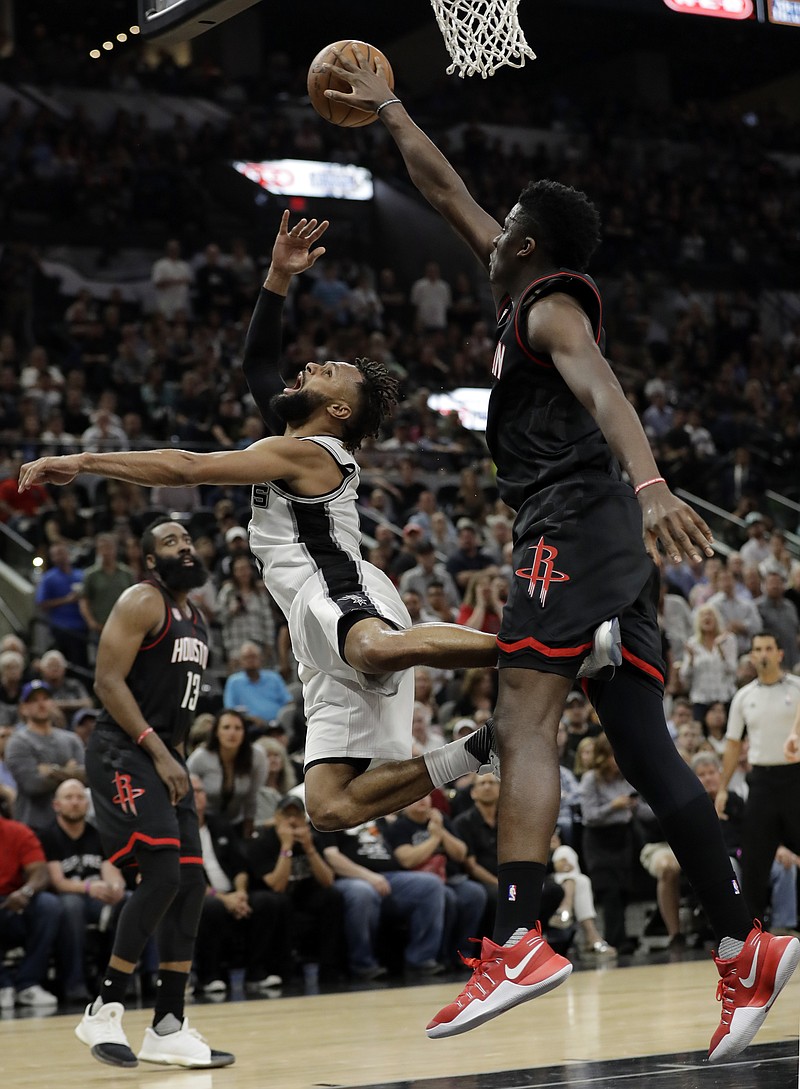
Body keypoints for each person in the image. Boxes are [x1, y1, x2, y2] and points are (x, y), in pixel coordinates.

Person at [321, 50, 799, 1056]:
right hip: (600, 537)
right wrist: (392, 109)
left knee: (521, 708)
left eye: (503, 231)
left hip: (576, 517)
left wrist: (650, 480)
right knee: (637, 736)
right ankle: (741, 946)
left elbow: (603, 388)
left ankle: (520, 937)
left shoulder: (548, 305)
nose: (482, 235)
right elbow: (443, 185)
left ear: (524, 244)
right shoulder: (518, 290)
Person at [18, 214, 614, 837]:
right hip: (311, 624)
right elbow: (257, 365)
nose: (308, 367)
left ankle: (558, 647)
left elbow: (186, 467)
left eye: (327, 372)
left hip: (336, 588)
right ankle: (482, 747)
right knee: (328, 808)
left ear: (335, 410)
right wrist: (277, 276)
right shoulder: (288, 439)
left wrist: (84, 460)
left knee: (374, 649)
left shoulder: (309, 453)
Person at [57, 518, 233, 1069]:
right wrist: (157, 750)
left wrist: (174, 756)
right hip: (124, 750)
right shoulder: (142, 599)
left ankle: (168, 1024)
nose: (184, 545)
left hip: (166, 756)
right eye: (169, 542)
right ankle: (104, 1008)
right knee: (160, 872)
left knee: (191, 882)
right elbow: (107, 682)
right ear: (151, 561)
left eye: (186, 538)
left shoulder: (197, 617)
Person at [715, 633, 800, 926]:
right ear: (752, 655)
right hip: (761, 783)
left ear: (779, 653)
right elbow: (733, 744)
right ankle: (754, 939)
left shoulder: (797, 689)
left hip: (796, 781)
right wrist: (723, 788)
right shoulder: (743, 697)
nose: (762, 653)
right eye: (757, 649)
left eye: (768, 648)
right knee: (753, 867)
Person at [191, 775, 287, 997]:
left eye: (200, 791)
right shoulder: (176, 829)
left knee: (267, 901)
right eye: (192, 791)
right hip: (201, 895)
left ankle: (256, 973)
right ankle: (210, 977)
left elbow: (240, 866)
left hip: (233, 892)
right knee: (210, 907)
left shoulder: (219, 825)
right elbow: (187, 879)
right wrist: (225, 899)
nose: (197, 796)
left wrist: (241, 893)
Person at [39, 778, 126, 1003]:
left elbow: (110, 870)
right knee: (71, 905)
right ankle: (74, 984)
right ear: (56, 805)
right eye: (69, 798)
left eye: (80, 798)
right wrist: (89, 887)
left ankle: (121, 981)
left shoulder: (98, 834)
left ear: (87, 804)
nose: (75, 803)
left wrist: (115, 887)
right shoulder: (48, 835)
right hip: (68, 899)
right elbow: (58, 882)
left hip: (97, 899)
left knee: (129, 900)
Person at [248, 793, 344, 985]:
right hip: (271, 898)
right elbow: (278, 885)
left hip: (303, 896)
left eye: (297, 815)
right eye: (286, 815)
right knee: (278, 902)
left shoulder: (312, 839)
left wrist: (309, 848)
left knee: (332, 896)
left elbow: (327, 881)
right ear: (276, 818)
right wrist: (286, 846)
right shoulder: (263, 841)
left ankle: (330, 970)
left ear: (304, 819)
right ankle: (277, 971)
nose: (292, 820)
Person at [383, 792, 487, 968]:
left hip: (451, 879)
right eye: (416, 797)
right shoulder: (400, 827)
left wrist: (441, 831)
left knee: (475, 893)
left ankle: (463, 954)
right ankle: (437, 955)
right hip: (421, 882)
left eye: (425, 796)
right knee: (446, 896)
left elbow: (461, 854)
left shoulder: (442, 820)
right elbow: (407, 860)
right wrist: (434, 838)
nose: (422, 799)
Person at [0, 798, 62, 1010]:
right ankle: (3, 985)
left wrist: (25, 892)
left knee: (49, 904)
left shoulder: (17, 831)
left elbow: (40, 871)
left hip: (14, 901)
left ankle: (28, 983)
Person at [5, 680, 87, 832]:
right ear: (23, 708)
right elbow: (33, 785)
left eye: (46, 698)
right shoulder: (17, 742)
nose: (41, 704)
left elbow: (86, 777)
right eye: (34, 700)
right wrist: (69, 772)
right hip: (34, 825)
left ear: (53, 703)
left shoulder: (71, 739)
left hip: (72, 827)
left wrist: (50, 771)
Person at [187, 708, 267, 838]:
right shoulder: (200, 757)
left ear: (244, 732)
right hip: (203, 823)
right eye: (226, 727)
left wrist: (249, 824)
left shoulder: (257, 756)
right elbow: (187, 792)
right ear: (216, 731)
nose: (232, 733)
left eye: (238, 728)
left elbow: (252, 796)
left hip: (238, 822)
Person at [222, 641, 292, 731]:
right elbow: (230, 710)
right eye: (246, 657)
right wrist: (250, 719)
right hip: (249, 727)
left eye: (254, 657)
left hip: (278, 726)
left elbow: (288, 702)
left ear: (261, 659)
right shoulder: (233, 682)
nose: (250, 660)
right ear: (240, 661)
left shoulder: (274, 677)